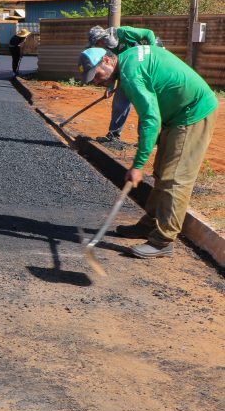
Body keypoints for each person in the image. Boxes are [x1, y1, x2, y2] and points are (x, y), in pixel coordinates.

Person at [78, 45, 218, 259]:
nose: (96, 82)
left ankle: (163, 242)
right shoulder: (128, 58)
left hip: (193, 113)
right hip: (175, 115)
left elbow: (150, 120)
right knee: (162, 172)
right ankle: (149, 223)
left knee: (175, 179)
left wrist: (138, 165)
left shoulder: (131, 74)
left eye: (96, 75)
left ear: (107, 60)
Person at [88, 25, 161, 145]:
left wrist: (153, 54)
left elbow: (149, 33)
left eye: (97, 42)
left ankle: (146, 139)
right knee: (120, 101)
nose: (98, 45)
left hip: (145, 68)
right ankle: (113, 135)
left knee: (144, 103)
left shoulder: (123, 32)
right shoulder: (106, 48)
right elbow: (112, 67)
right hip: (127, 72)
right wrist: (110, 87)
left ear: (102, 38)